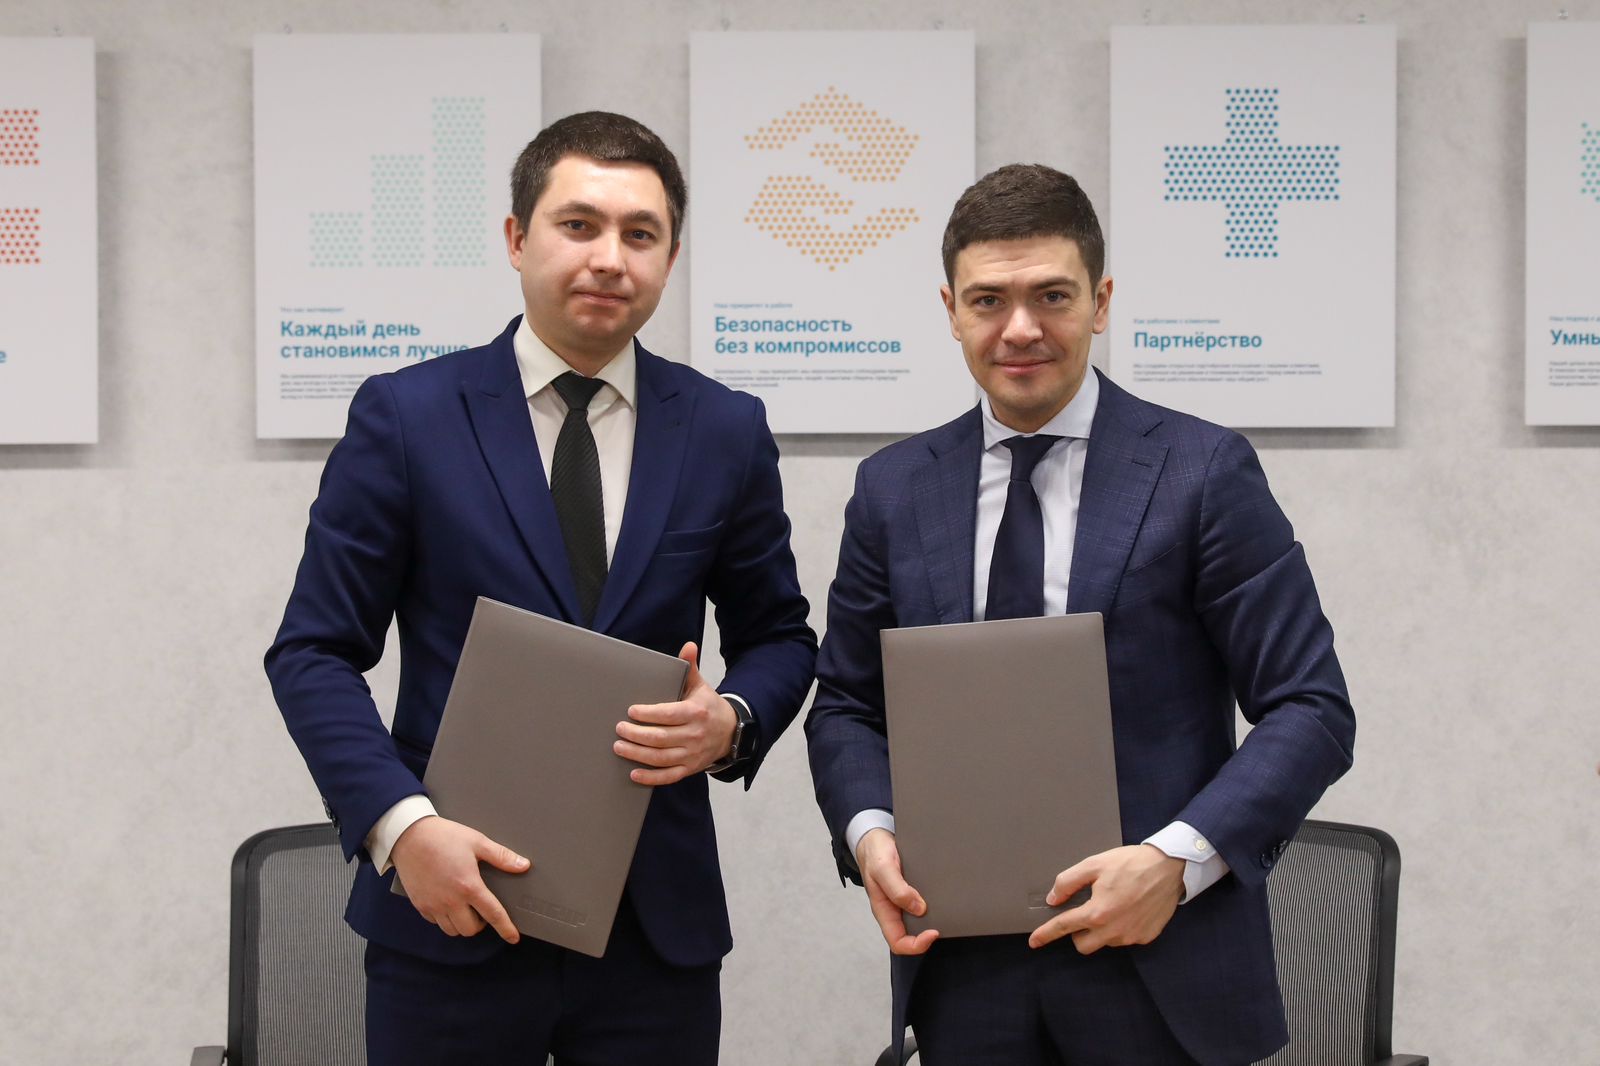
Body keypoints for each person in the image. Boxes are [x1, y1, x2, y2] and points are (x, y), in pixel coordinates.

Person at [265, 111, 817, 1065]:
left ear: (671, 257)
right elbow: (313, 651)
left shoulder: (724, 429)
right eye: (579, 225)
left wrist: (731, 718)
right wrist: (402, 830)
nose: (610, 258)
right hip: (448, 909)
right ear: (518, 238)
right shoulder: (408, 417)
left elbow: (781, 637)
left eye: (640, 234)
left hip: (654, 931)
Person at [805, 163, 1356, 1066]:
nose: (1020, 328)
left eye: (1051, 296)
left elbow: (1312, 708)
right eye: (988, 300)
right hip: (963, 975)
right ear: (950, 310)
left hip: (1161, 966)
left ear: (1100, 302)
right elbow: (847, 706)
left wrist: (1176, 862)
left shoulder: (1201, 472)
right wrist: (872, 835)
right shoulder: (893, 490)